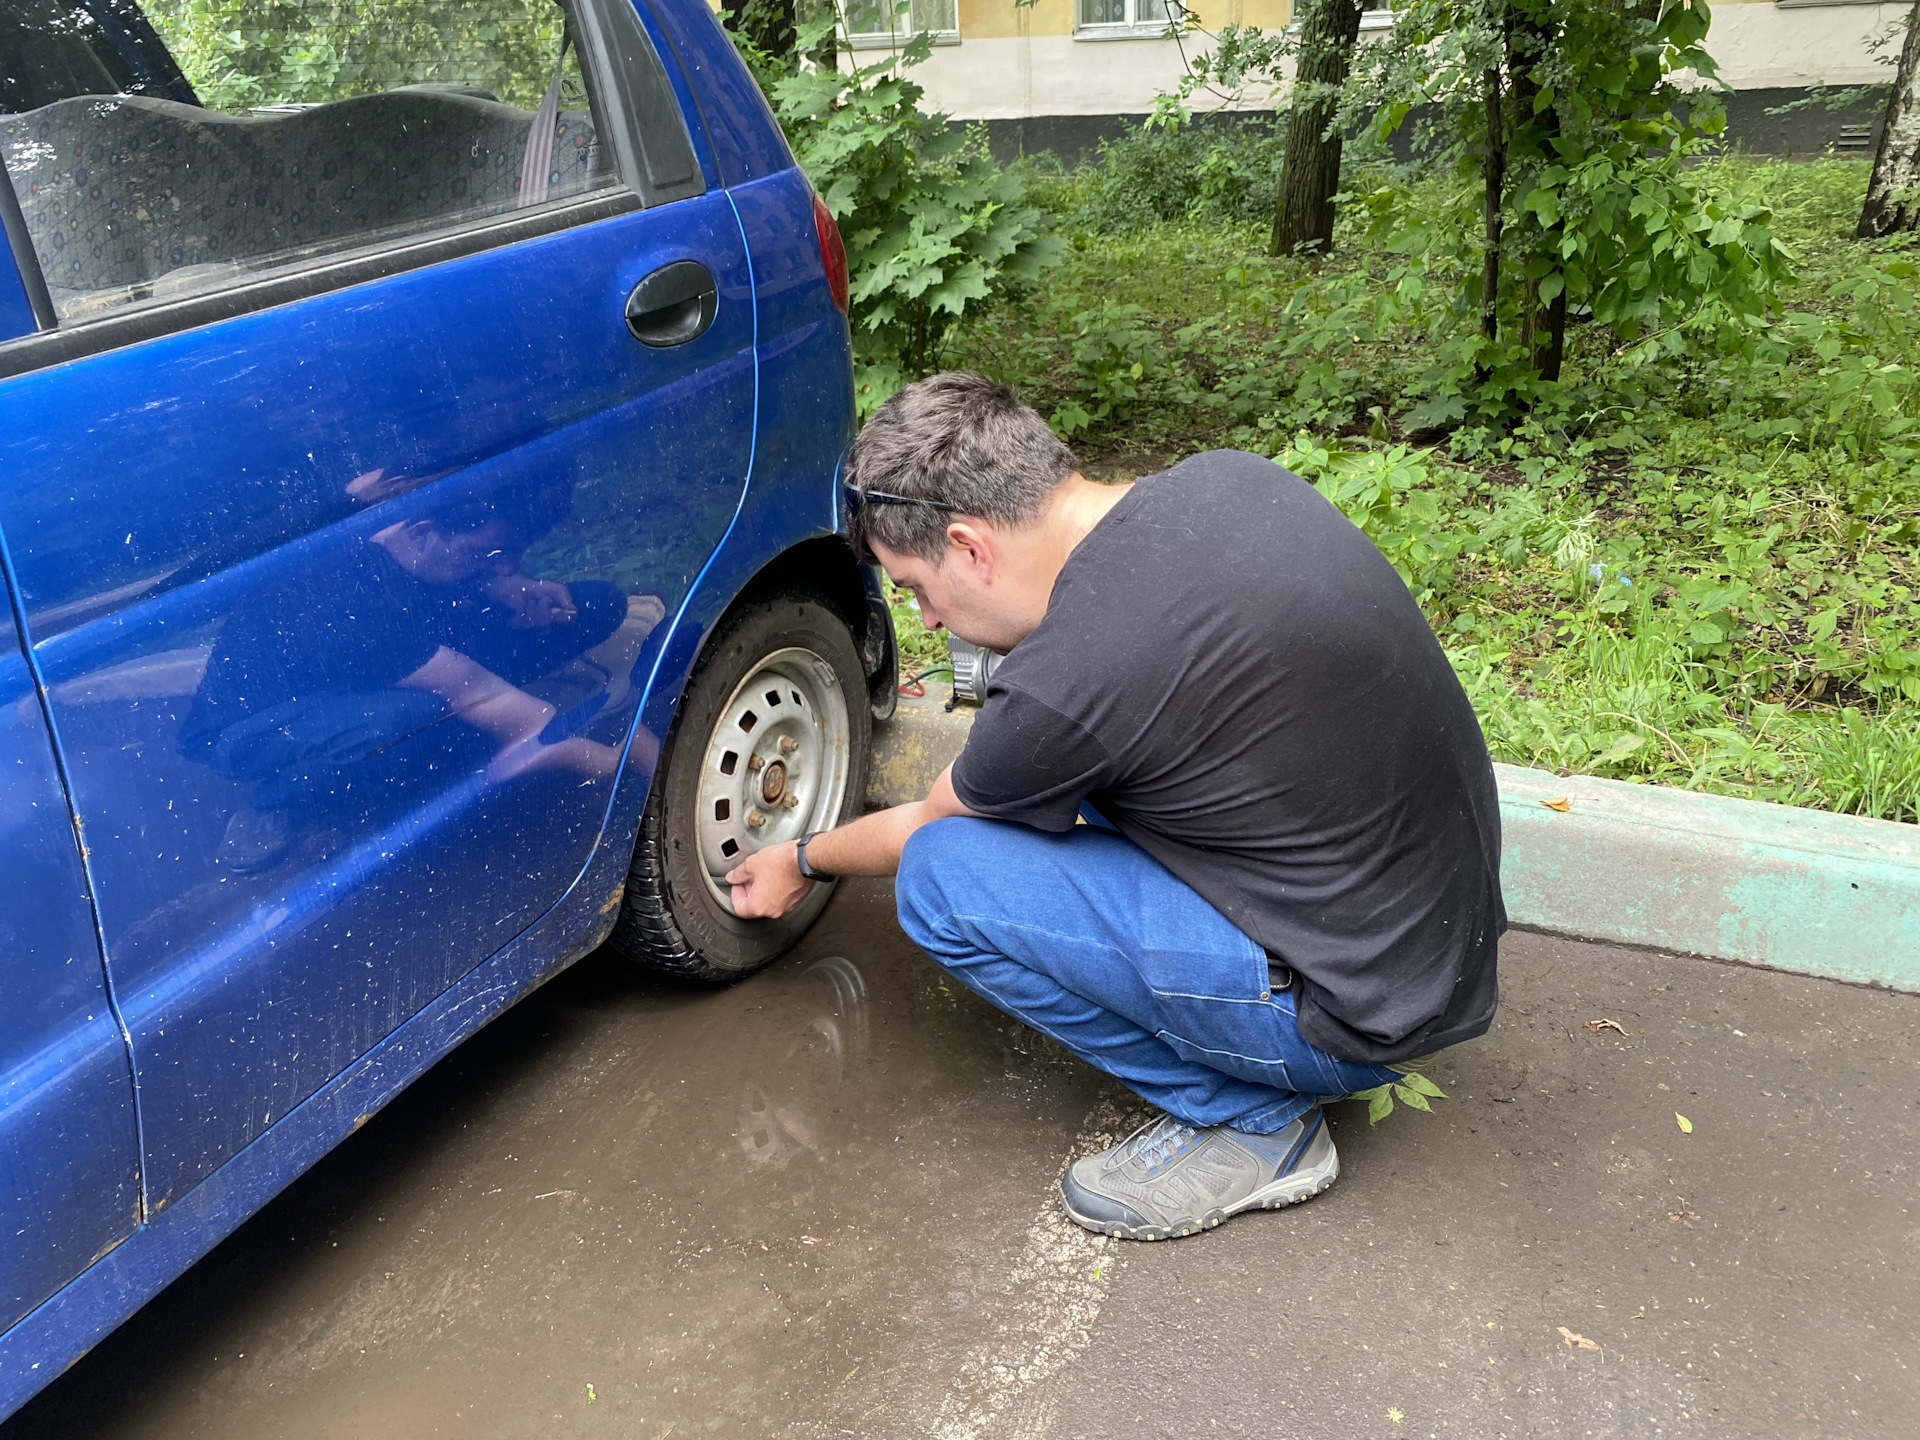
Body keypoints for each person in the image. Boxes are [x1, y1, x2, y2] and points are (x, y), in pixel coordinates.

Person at [725, 372, 1504, 1242]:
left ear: (969, 545)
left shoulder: (1072, 682)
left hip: (1355, 1019)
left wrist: (799, 860)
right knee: (1059, 801)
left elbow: (928, 829)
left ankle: (1255, 1123)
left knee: (944, 880)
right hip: (1427, 937)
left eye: (916, 588)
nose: (929, 621)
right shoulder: (1223, 480)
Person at [184, 485, 663, 874]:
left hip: (368, 666)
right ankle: (280, 801)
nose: (496, 565)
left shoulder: (399, 532)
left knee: (594, 602)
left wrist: (507, 587)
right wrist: (608, 758)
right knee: (420, 718)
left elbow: (455, 577)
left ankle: (439, 712)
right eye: (484, 555)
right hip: (247, 729)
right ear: (422, 532)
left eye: (503, 554)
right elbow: (486, 696)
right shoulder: (358, 603)